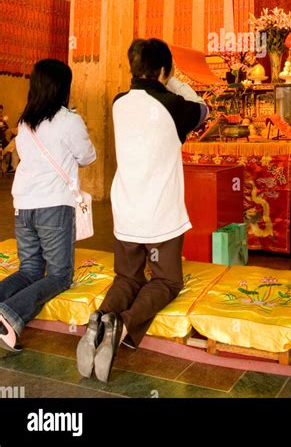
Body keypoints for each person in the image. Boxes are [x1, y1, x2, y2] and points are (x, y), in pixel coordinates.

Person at [77, 38, 209, 382]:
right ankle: (122, 325)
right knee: (166, 280)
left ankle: (102, 317)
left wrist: (163, 79)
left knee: (128, 277)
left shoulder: (119, 102)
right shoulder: (172, 104)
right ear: (163, 70)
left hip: (126, 207)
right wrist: (174, 80)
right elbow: (203, 110)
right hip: (161, 212)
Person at [0, 60, 96, 352]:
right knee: (58, 275)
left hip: (23, 205)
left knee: (29, 269)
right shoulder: (69, 120)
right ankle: (10, 315)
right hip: (53, 206)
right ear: (62, 87)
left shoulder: (24, 122)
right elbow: (88, 156)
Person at [0, 105, 13, 174]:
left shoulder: (3, 122)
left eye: (1, 112)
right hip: (1, 141)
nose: (0, 114)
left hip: (4, 141)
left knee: (14, 143)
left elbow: (7, 130)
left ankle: (10, 167)